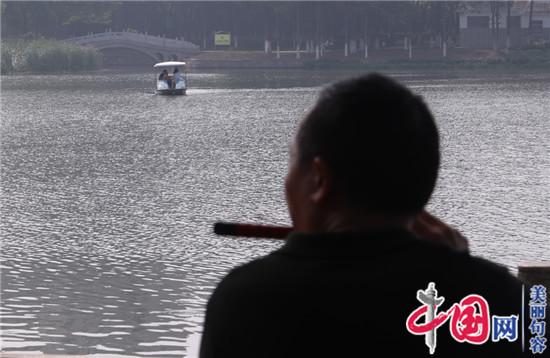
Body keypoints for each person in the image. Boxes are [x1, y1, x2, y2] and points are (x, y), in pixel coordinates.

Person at [200, 74, 525, 357]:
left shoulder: (244, 303)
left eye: (291, 162)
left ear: (319, 180)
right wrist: (463, 273)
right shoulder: (507, 301)